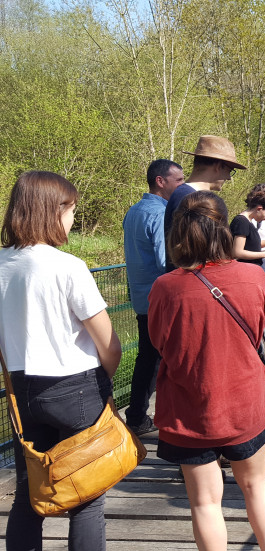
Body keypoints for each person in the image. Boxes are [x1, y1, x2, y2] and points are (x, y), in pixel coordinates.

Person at [148, 191, 265, 551]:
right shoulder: (252, 276)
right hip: (246, 399)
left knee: (204, 502)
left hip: (191, 406)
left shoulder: (166, 287)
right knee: (256, 484)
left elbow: (161, 343)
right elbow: (257, 329)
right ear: (224, 228)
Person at [0, 171, 123, 550]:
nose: (72, 219)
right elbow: (110, 344)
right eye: (71, 210)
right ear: (52, 211)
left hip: (22, 390)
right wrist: (104, 382)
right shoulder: (67, 266)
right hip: (75, 388)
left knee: (29, 495)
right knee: (86, 498)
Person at [122, 159, 184, 436]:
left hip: (141, 297)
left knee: (147, 358)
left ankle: (136, 416)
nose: (182, 186)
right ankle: (173, 422)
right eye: (178, 181)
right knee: (172, 360)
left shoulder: (133, 211)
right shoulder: (160, 214)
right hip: (162, 300)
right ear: (161, 181)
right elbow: (165, 261)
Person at [164, 135, 246, 271]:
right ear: (218, 166)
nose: (229, 177)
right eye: (229, 170)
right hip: (193, 284)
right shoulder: (191, 199)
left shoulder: (182, 194)